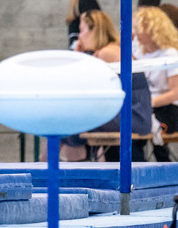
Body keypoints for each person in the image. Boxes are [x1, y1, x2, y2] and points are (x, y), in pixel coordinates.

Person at [64, 10, 152, 163]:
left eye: (82, 30)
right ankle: (82, 164)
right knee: (70, 122)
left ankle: (77, 168)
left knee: (66, 123)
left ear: (95, 31)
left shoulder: (105, 53)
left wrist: (78, 55)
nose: (80, 37)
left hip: (132, 116)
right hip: (136, 115)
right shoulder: (114, 49)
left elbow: (83, 84)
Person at [133, 5, 178, 162]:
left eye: (139, 28)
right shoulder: (139, 54)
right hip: (146, 108)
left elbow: (175, 92)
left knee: (143, 131)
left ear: (153, 29)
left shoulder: (170, 54)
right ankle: (137, 169)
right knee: (130, 134)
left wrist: (149, 103)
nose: (135, 33)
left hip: (167, 109)